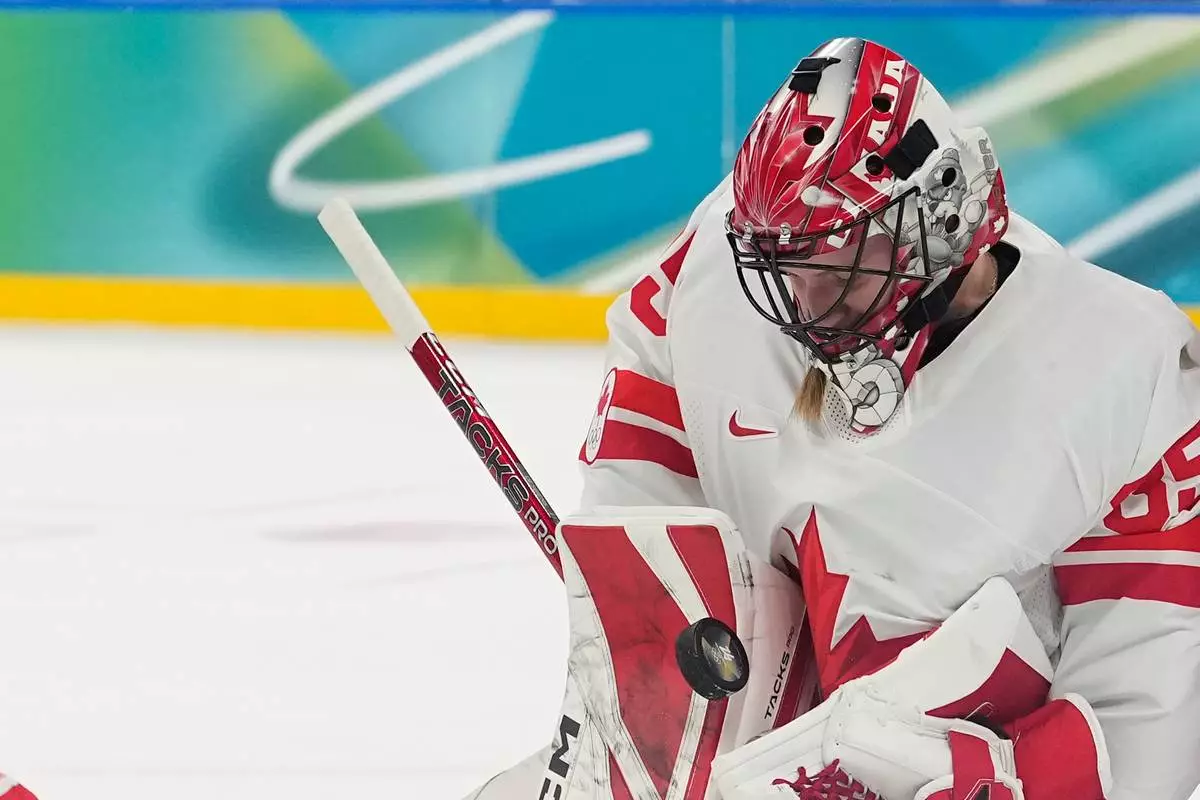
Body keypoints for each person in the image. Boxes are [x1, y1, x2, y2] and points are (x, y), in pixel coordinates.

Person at [577, 36, 1200, 799]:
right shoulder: (721, 263)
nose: (802, 312)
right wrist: (645, 609)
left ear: (938, 216)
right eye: (785, 270)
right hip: (754, 730)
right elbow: (653, 391)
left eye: (836, 268)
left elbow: (1145, 738)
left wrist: (958, 780)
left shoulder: (1123, 370)